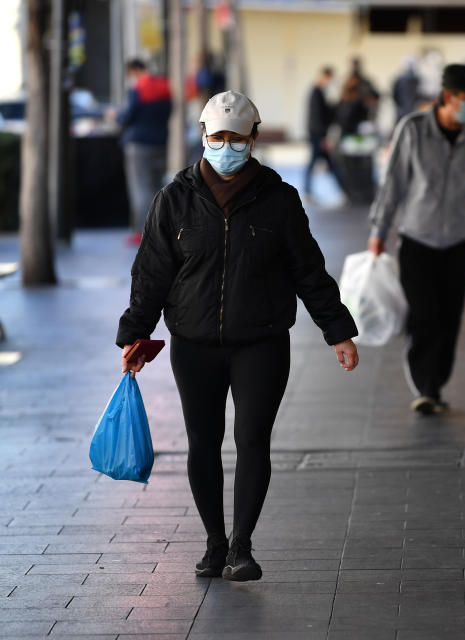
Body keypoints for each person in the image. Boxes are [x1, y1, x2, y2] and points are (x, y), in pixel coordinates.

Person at [116, 91, 359, 582]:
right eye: (217, 137)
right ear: (204, 137)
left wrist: (338, 332)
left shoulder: (279, 199)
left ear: (253, 138)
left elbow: (308, 271)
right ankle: (213, 544)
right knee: (203, 442)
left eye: (235, 138)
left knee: (252, 440)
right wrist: (135, 336)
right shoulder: (174, 199)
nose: (226, 146)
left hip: (262, 342)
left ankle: (241, 547)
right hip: (194, 344)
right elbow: (151, 275)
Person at [368, 64, 465, 416]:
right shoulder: (413, 129)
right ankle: (425, 385)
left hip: (457, 239)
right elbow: (393, 183)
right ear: (446, 96)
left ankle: (436, 384)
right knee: (424, 315)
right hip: (416, 237)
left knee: (449, 319)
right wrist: (379, 231)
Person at [118, 59, 171, 245]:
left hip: (138, 144)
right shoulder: (165, 87)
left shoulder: (138, 89)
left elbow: (127, 117)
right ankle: (160, 229)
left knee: (140, 187)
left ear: (134, 70)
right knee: (158, 187)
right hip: (161, 143)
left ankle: (142, 231)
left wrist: (115, 116)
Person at [304, 66, 345, 197]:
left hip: (318, 134)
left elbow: (326, 113)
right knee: (323, 164)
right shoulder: (316, 93)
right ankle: (344, 190)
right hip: (317, 135)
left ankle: (343, 190)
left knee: (328, 164)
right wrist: (322, 137)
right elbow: (317, 117)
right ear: (324, 77)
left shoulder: (319, 92)